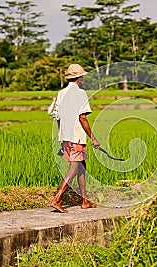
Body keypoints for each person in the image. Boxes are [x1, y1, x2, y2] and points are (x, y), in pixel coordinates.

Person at [51, 63, 100, 213]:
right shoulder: (80, 94)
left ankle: (85, 200)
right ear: (79, 78)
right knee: (74, 168)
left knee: (81, 167)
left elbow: (58, 117)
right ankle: (57, 199)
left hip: (66, 136)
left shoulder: (61, 93)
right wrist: (93, 138)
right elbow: (82, 118)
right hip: (76, 137)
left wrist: (62, 136)